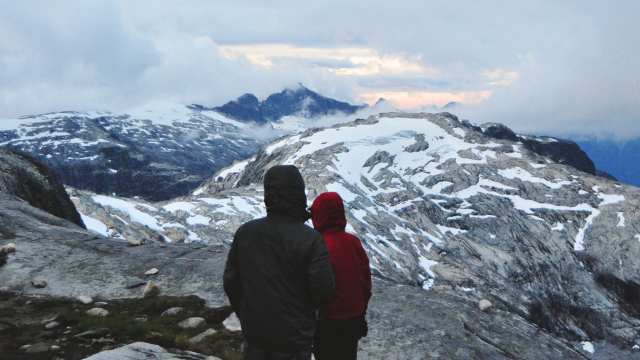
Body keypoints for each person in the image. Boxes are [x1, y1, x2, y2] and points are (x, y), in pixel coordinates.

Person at [223, 165, 336, 360]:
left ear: (268, 195)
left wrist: (247, 316)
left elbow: (231, 282)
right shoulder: (311, 239)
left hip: (255, 337)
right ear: (299, 195)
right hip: (294, 340)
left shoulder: (246, 232)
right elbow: (324, 290)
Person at [308, 192, 372, 360]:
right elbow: (366, 281)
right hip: (353, 321)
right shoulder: (353, 242)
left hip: (327, 322)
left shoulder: (317, 244)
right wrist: (361, 314)